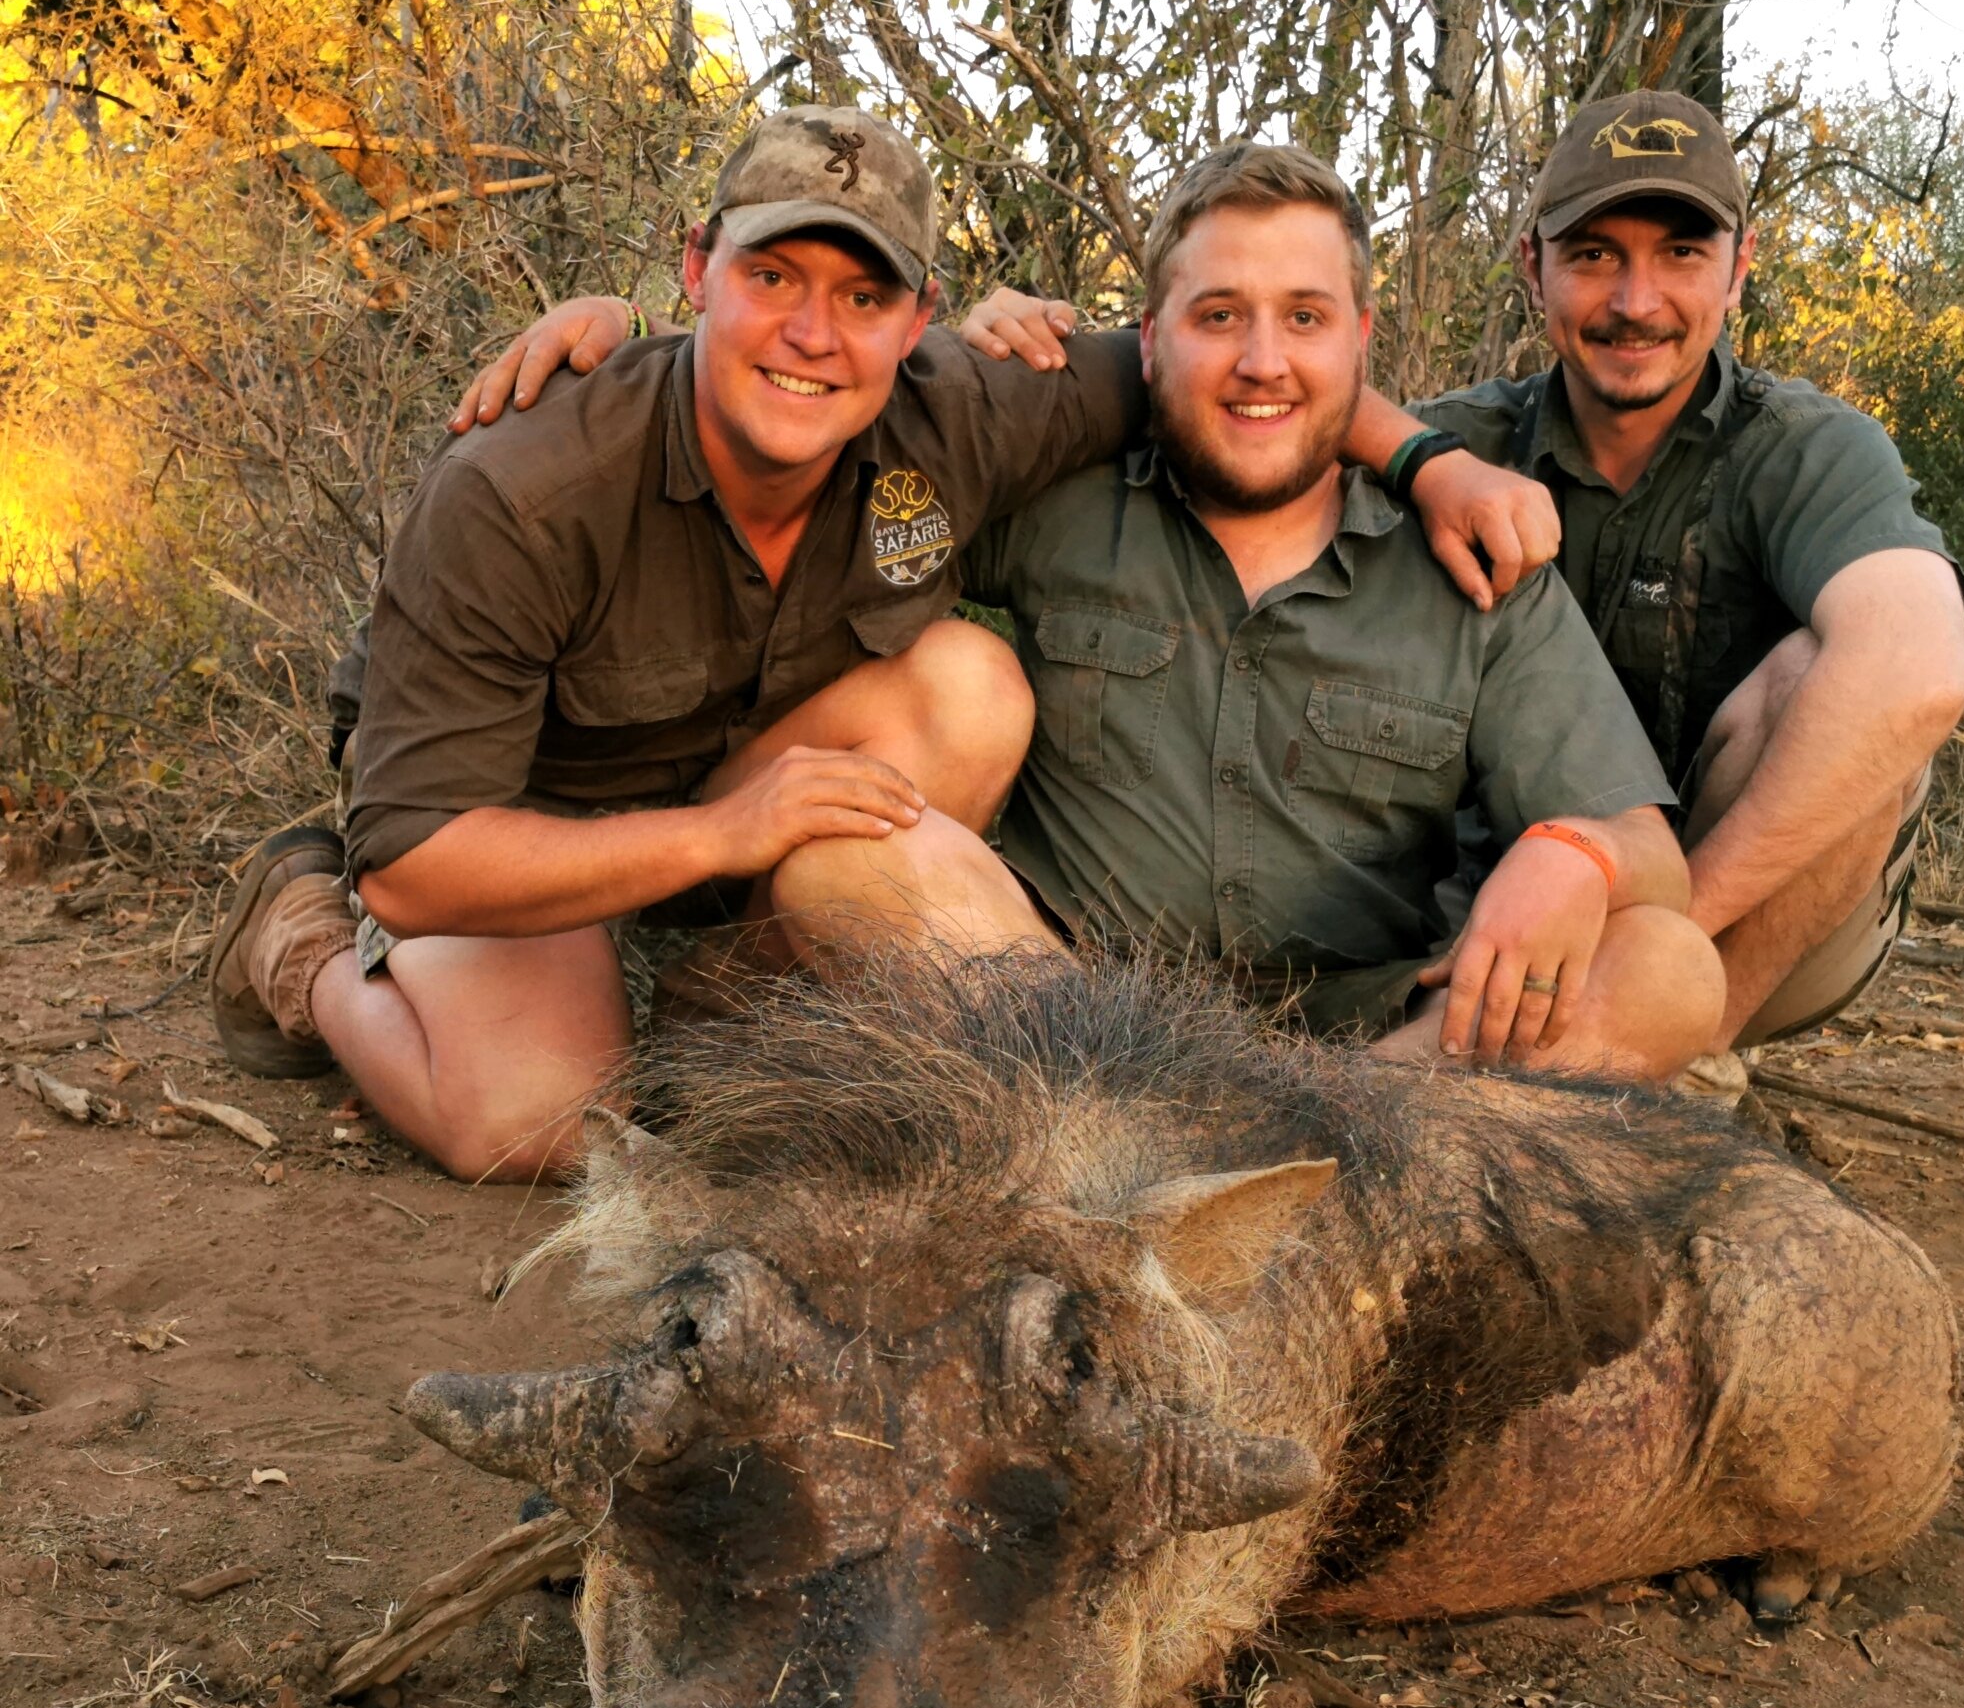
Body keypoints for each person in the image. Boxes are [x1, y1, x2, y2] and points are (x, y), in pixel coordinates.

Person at [210, 110, 1553, 1181]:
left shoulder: (953, 410)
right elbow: (422, 861)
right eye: (772, 277)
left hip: (716, 785)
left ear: (919, 320)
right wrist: (724, 841)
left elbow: (1221, 366)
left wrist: (1426, 460)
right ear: (695, 271)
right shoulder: (524, 484)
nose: (812, 334)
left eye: (864, 295)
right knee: (529, 1123)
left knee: (968, 691)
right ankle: (299, 951)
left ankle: (704, 1019)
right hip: (503, 813)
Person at [505, 145, 1722, 1076]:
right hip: (1050, 1009)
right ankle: (1204, 1143)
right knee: (844, 861)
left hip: (1366, 1055)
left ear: (1359, 341)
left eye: (1302, 318)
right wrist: (630, 362)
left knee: (1663, 966)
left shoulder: (1470, 559)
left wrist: (1575, 852)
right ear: (1145, 344)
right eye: (1216, 317)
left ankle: (1279, 1145)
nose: (1260, 361)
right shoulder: (1051, 499)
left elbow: (1654, 867)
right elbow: (802, 417)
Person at [960, 92, 1964, 1054]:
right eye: (1591, 256)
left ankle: (1686, 1072)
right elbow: (1275, 410)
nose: (1635, 299)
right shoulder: (1453, 457)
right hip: (1164, 988)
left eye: (1679, 253)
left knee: (1717, 889)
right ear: (1532, 270)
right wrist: (993, 379)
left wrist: (1595, 869)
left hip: (1722, 897)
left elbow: (1917, 674)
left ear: (1738, 267)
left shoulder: (1796, 449)